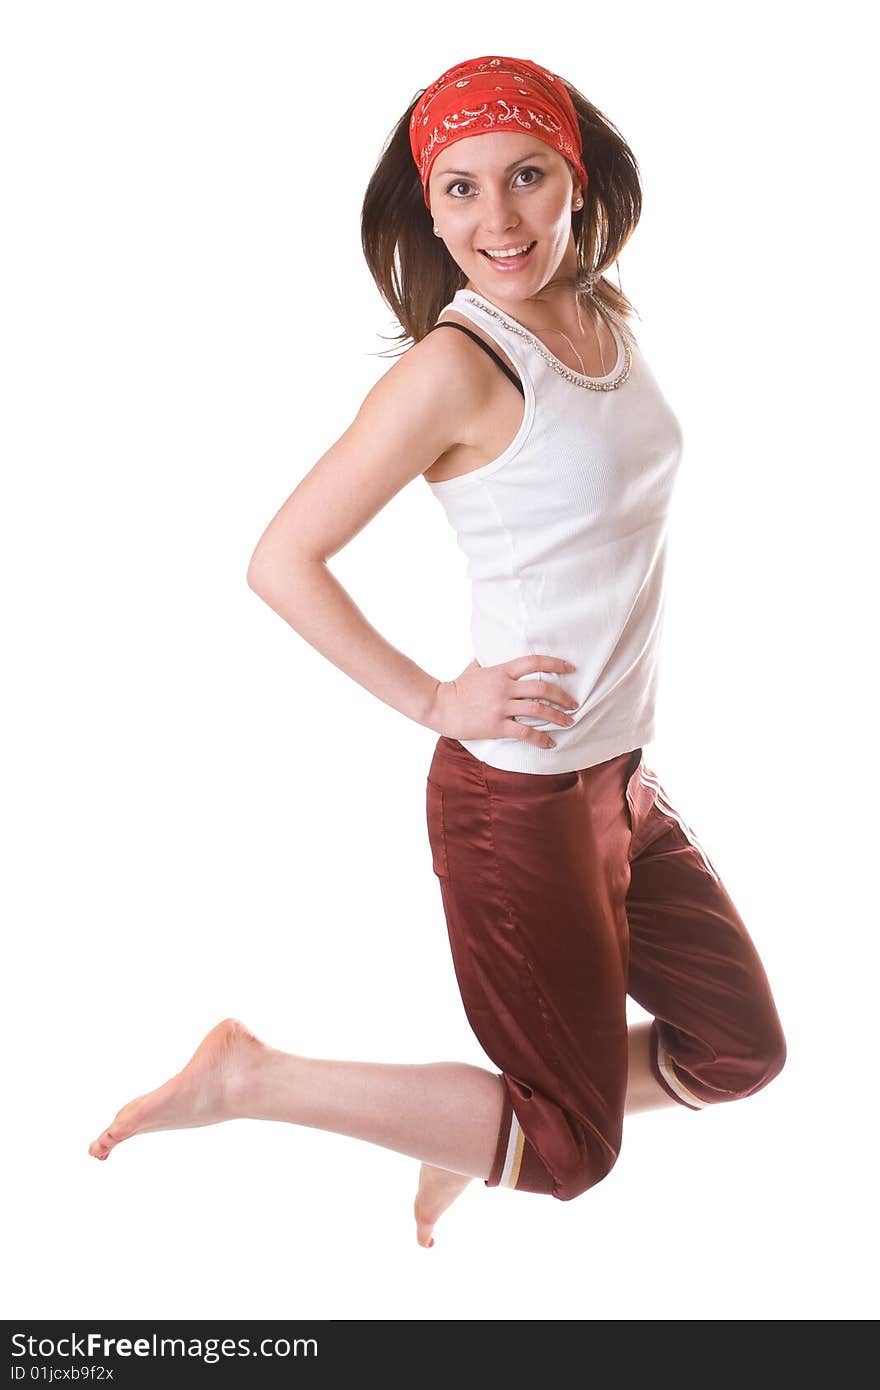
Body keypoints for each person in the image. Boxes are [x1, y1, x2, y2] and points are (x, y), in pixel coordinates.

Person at [88, 54, 787, 1248]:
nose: (496, 218)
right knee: (568, 1156)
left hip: (617, 780)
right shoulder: (456, 367)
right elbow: (281, 560)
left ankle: (468, 1128)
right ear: (427, 205)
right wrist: (432, 698)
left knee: (734, 1049)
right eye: (457, 189)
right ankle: (251, 1076)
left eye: (523, 176)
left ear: (576, 176)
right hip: (515, 799)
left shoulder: (592, 312)